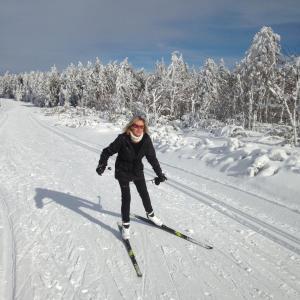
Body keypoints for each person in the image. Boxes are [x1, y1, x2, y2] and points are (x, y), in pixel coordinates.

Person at [96, 115, 167, 239]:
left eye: (141, 126)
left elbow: (152, 159)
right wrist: (102, 165)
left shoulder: (146, 140)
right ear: (131, 126)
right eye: (136, 126)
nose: (139, 129)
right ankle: (126, 226)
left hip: (137, 170)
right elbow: (107, 151)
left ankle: (151, 215)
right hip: (122, 170)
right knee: (126, 197)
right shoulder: (122, 138)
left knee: (144, 193)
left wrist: (159, 174)